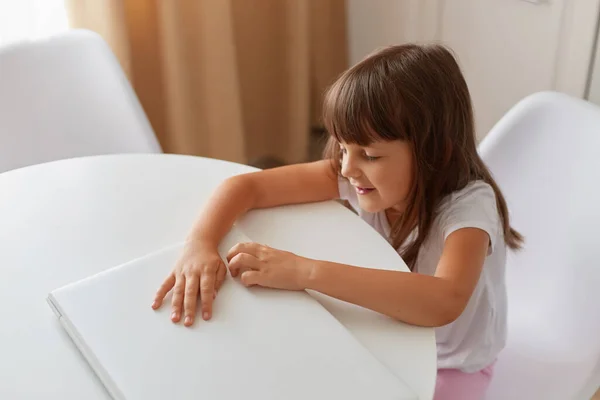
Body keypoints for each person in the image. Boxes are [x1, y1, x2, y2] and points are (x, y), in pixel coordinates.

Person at [151, 43, 523, 400]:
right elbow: (246, 186)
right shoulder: (358, 176)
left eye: (370, 155)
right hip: (385, 332)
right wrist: (199, 243)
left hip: (451, 366)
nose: (347, 168)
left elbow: (444, 301)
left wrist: (303, 272)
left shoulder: (468, 209)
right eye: (344, 148)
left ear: (435, 153)